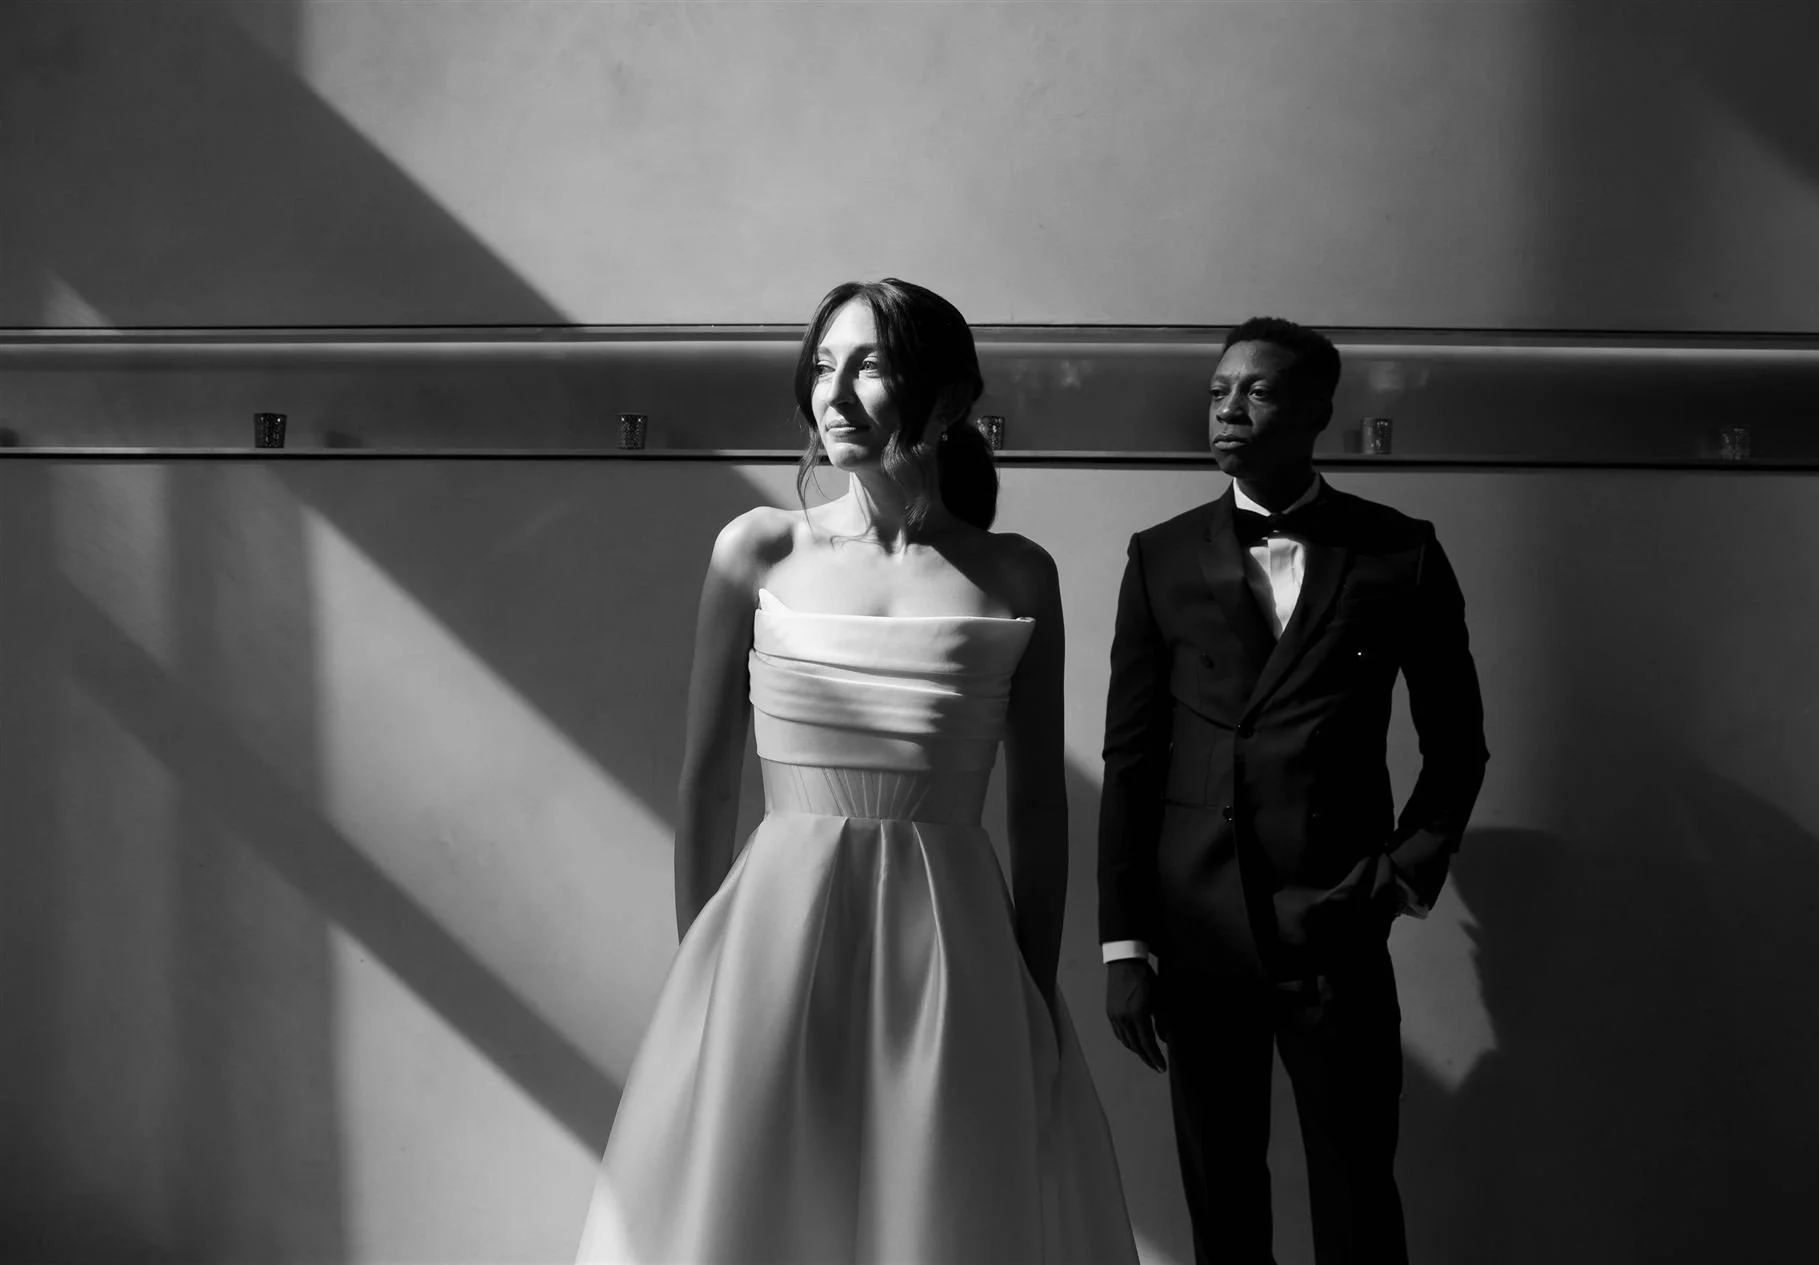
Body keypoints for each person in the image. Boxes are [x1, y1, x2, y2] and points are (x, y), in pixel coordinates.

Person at [578, 279, 1138, 1264]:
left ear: (950, 398)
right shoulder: (754, 549)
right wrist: (697, 974)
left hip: (951, 944)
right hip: (769, 937)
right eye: (823, 366)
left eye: (868, 365)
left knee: (937, 1201)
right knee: (760, 1203)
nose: (832, 392)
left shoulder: (1014, 573)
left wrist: (1033, 992)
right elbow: (704, 779)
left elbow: (1038, 801)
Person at [1097, 317, 1488, 1264]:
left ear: (1317, 412)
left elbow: (1459, 745)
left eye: (1257, 391)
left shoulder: (1400, 553)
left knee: (1357, 1190)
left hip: (1336, 922)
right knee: (1220, 1195)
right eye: (1219, 389)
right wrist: (1123, 943)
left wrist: (1400, 875)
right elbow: (1132, 759)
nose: (1228, 408)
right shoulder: (1160, 555)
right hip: (1196, 930)